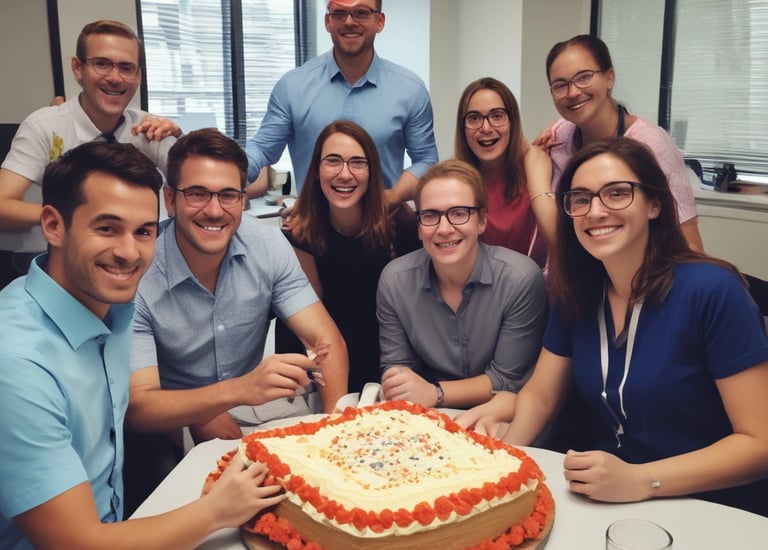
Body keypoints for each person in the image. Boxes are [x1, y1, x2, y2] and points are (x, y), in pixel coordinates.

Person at [457, 137, 768, 515]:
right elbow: (540, 397)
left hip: (711, 505)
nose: (596, 211)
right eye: (581, 199)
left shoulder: (714, 291)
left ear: (655, 204)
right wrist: (502, 467)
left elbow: (758, 444)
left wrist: (642, 480)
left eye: (617, 193)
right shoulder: (580, 292)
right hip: (610, 496)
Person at [0, 141, 284, 549]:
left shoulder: (113, 303)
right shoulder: (18, 364)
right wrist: (216, 510)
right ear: (53, 225)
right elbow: (77, 543)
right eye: (107, 228)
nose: (128, 253)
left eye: (144, 231)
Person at [128, 128, 348, 444]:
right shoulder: (140, 271)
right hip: (168, 418)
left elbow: (327, 341)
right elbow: (139, 405)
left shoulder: (267, 245)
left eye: (228, 195)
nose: (215, 210)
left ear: (243, 200)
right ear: (170, 199)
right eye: (197, 194)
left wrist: (333, 434)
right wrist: (214, 404)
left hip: (249, 410)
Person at [0, 19, 180, 288]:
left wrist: (182, 141)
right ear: (77, 68)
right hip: (66, 271)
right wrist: (76, 214)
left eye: (126, 68)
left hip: (134, 268)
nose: (115, 77)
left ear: (138, 76)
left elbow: (196, 188)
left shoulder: (148, 130)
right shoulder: (45, 126)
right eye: (102, 64)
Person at [376, 159, 547, 409]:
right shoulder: (394, 281)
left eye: (459, 213)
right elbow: (397, 367)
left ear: (482, 221)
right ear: (419, 226)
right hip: (428, 417)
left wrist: (435, 392)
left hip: (504, 414)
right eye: (430, 215)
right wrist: (400, 384)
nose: (444, 229)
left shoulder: (520, 279)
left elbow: (507, 380)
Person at [276, 121, 421, 394]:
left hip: (386, 355)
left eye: (357, 162)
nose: (345, 174)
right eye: (333, 161)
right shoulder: (299, 230)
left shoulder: (399, 221)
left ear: (371, 171)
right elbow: (309, 318)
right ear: (317, 170)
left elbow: (416, 305)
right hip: (322, 358)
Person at [245, 0, 438, 205]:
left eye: (361, 13)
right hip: (313, 230)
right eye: (339, 14)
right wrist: (227, 169)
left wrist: (393, 196)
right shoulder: (292, 87)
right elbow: (262, 149)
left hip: (384, 226)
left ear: (379, 22)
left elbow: (427, 161)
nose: (349, 21)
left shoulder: (410, 90)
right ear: (328, 22)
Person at [535, 34, 704, 251]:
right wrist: (533, 159)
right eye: (560, 85)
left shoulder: (651, 144)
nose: (573, 92)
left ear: (609, 77)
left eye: (584, 77)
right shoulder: (558, 135)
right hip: (572, 272)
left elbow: (689, 243)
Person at [455, 77, 555, 269]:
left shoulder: (535, 167)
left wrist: (534, 155)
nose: (486, 128)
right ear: (463, 129)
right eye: (474, 118)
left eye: (497, 116)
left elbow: (557, 244)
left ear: (512, 122)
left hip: (532, 289)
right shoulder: (454, 181)